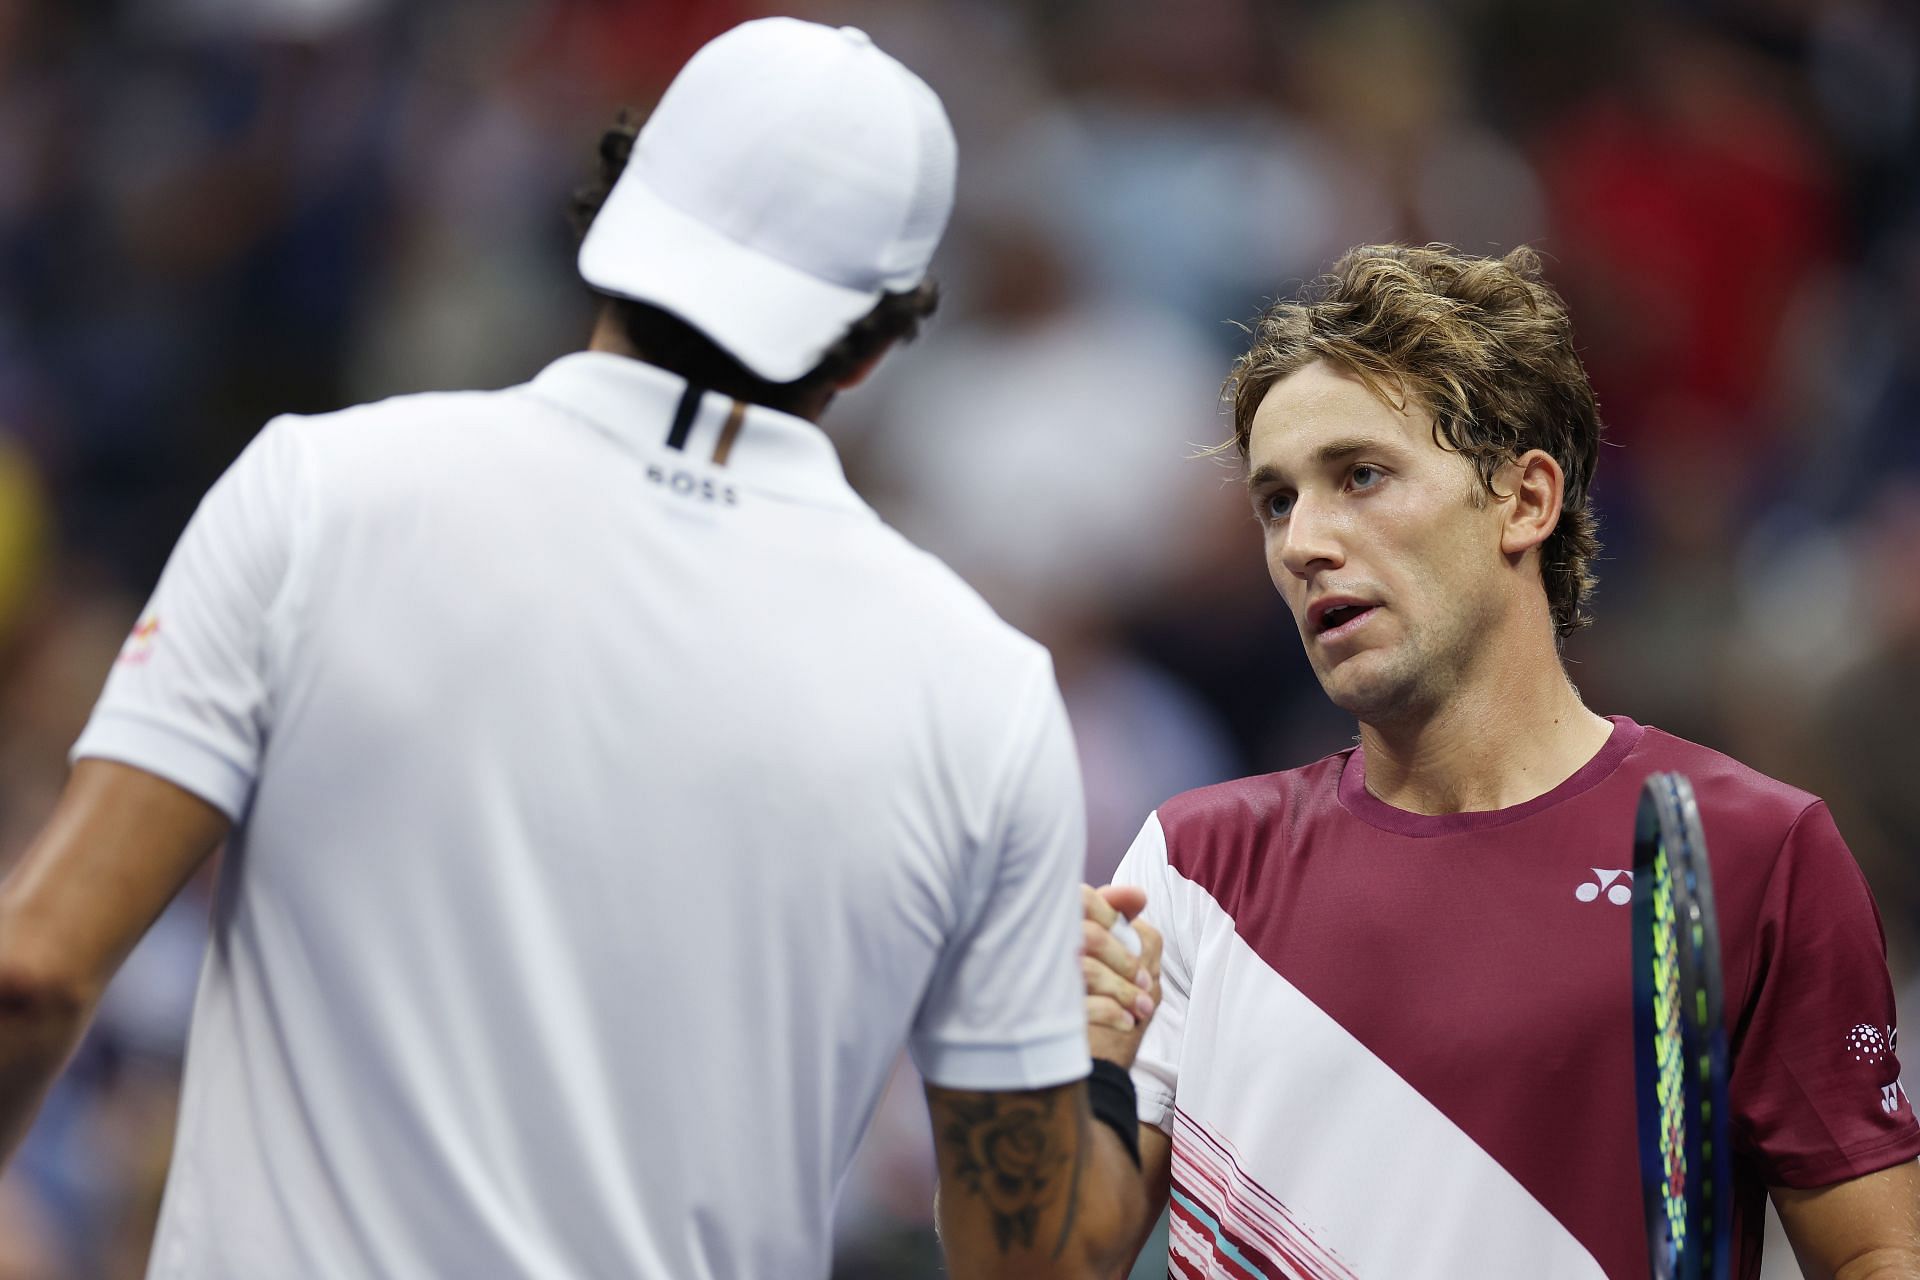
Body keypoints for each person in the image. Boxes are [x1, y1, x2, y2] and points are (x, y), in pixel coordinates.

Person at [0, 19, 1146, 1279]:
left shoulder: (319, 494)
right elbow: (1033, 1260)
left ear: (611, 220)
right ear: (878, 347)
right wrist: (1089, 1064)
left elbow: (37, 969)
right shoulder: (982, 691)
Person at [1076, 244, 1920, 1278]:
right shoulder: (1193, 859)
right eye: (1277, 500)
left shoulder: (1749, 847)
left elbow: (1879, 1250)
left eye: (1361, 475)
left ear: (1526, 500)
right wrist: (1042, 1075)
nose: (1303, 541)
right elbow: (1045, 1262)